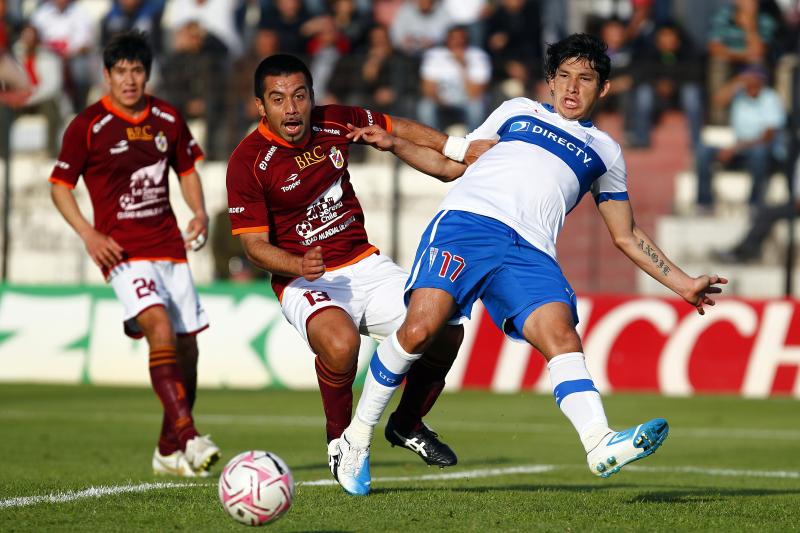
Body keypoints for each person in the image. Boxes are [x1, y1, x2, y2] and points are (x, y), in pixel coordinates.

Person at [340, 33, 728, 495]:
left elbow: (625, 233)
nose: (572, 87)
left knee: (561, 335)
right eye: (563, 76)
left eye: (585, 79)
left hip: (531, 251)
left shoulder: (606, 152)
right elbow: (451, 164)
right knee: (421, 329)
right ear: (550, 81)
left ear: (603, 88)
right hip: (468, 224)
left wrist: (682, 283)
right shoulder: (517, 111)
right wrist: (394, 143)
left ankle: (598, 441)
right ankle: (356, 439)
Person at [225, 54, 491, 496]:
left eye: (300, 96)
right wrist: (297, 265)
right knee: (341, 343)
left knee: (446, 328)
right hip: (305, 279)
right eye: (278, 99)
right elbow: (253, 246)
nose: (291, 108)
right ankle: (341, 442)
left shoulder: (334, 121)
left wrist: (455, 147)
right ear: (261, 106)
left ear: (312, 96)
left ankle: (407, 424)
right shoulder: (248, 162)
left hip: (364, 263)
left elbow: (395, 126)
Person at [49, 31, 220, 478]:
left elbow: (187, 169)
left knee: (188, 350)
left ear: (147, 74)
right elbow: (60, 186)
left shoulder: (167, 117)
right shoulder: (87, 125)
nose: (129, 80)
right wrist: (88, 233)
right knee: (158, 327)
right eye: (121, 71)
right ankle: (189, 436)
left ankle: (167, 450)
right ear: (106, 75)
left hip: (170, 248)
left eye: (137, 71)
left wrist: (199, 212)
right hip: (121, 252)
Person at [694, 65, 786, 212]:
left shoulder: (770, 98)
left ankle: (754, 203)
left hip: (762, 152)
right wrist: (736, 82)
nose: (751, 83)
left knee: (759, 153)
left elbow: (767, 136)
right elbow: (717, 100)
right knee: (703, 151)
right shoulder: (739, 96)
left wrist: (735, 148)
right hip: (739, 150)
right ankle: (704, 202)